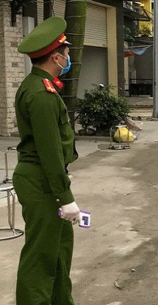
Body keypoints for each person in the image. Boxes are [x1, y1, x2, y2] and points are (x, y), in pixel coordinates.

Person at [13, 17, 82, 304]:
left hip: (47, 180)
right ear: (55, 57)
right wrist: (64, 196)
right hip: (41, 180)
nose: (69, 57)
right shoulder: (41, 94)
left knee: (59, 251)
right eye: (66, 52)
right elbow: (49, 151)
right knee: (41, 257)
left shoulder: (43, 86)